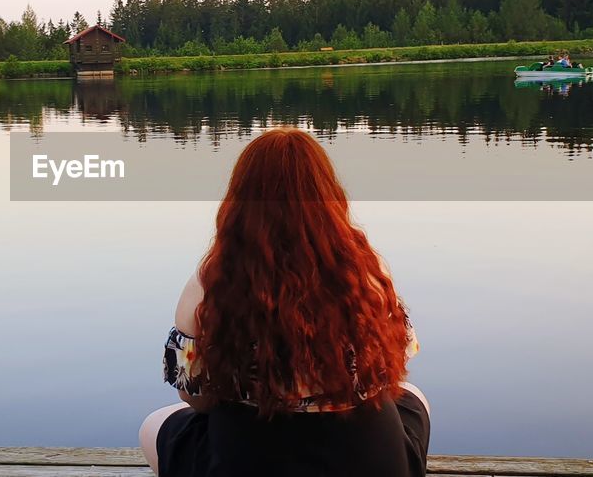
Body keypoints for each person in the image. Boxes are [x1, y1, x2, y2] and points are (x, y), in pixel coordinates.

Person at [139, 127, 431, 477]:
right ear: (327, 194)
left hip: (249, 459)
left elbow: (196, 400)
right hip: (367, 460)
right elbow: (390, 377)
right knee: (413, 397)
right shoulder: (368, 272)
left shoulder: (209, 283)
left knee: (154, 425)